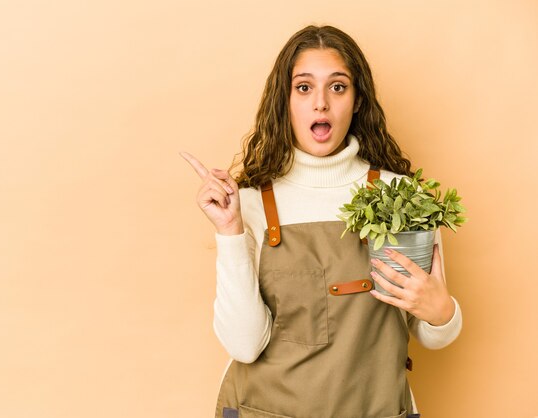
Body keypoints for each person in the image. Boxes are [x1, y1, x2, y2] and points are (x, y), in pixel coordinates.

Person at [181, 25, 462, 418]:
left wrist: (442, 311)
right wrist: (230, 232)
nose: (320, 105)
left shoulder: (400, 199)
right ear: (286, 100)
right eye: (303, 88)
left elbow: (431, 334)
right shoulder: (249, 205)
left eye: (337, 87)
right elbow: (244, 346)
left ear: (358, 100)